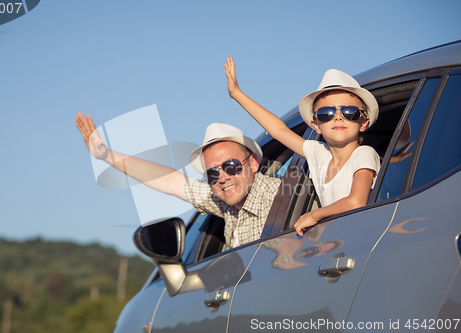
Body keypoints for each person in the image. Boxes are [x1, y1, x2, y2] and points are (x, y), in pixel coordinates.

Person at [224, 57, 381, 236]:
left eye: (349, 112)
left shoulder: (364, 153)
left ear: (363, 122)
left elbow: (356, 202)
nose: (338, 117)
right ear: (315, 125)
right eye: (326, 113)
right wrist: (236, 93)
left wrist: (314, 215)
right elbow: (279, 130)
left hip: (359, 239)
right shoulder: (319, 153)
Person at [75, 115, 282, 248]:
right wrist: (107, 156)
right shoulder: (224, 202)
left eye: (231, 166)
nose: (222, 178)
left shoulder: (279, 194)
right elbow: (172, 181)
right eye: (212, 173)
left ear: (253, 163)